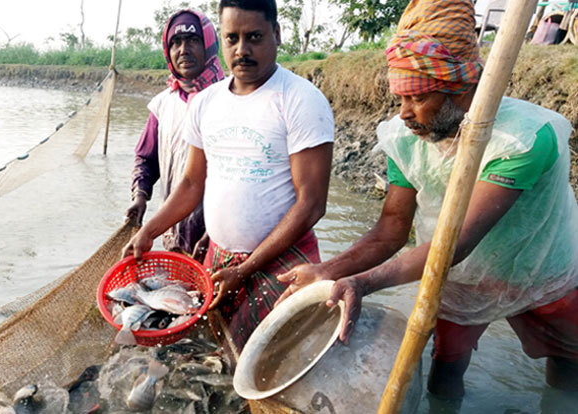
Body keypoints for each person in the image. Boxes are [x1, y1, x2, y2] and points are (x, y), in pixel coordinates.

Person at [276, 0, 578, 399]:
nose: (403, 113)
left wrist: (364, 284)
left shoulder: (524, 140)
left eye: (417, 98)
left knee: (569, 357)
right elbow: (390, 230)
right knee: (447, 363)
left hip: (541, 270)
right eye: (400, 98)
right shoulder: (406, 140)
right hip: (462, 281)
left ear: (462, 88)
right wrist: (329, 271)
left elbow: (454, 243)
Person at [123, 0, 335, 351]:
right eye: (232, 38)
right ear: (220, 40)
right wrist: (149, 231)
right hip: (220, 259)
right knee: (215, 353)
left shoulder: (300, 100)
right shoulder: (206, 103)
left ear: (277, 34)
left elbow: (311, 205)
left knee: (270, 358)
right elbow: (192, 184)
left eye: (254, 37)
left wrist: (247, 267)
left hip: (280, 262)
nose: (242, 50)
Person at [125, 9, 224, 261]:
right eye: (176, 43)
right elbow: (146, 159)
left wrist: (216, 235)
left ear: (209, 45)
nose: (183, 49)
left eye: (192, 40)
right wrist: (140, 196)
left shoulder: (228, 99)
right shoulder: (162, 105)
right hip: (175, 232)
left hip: (222, 238)